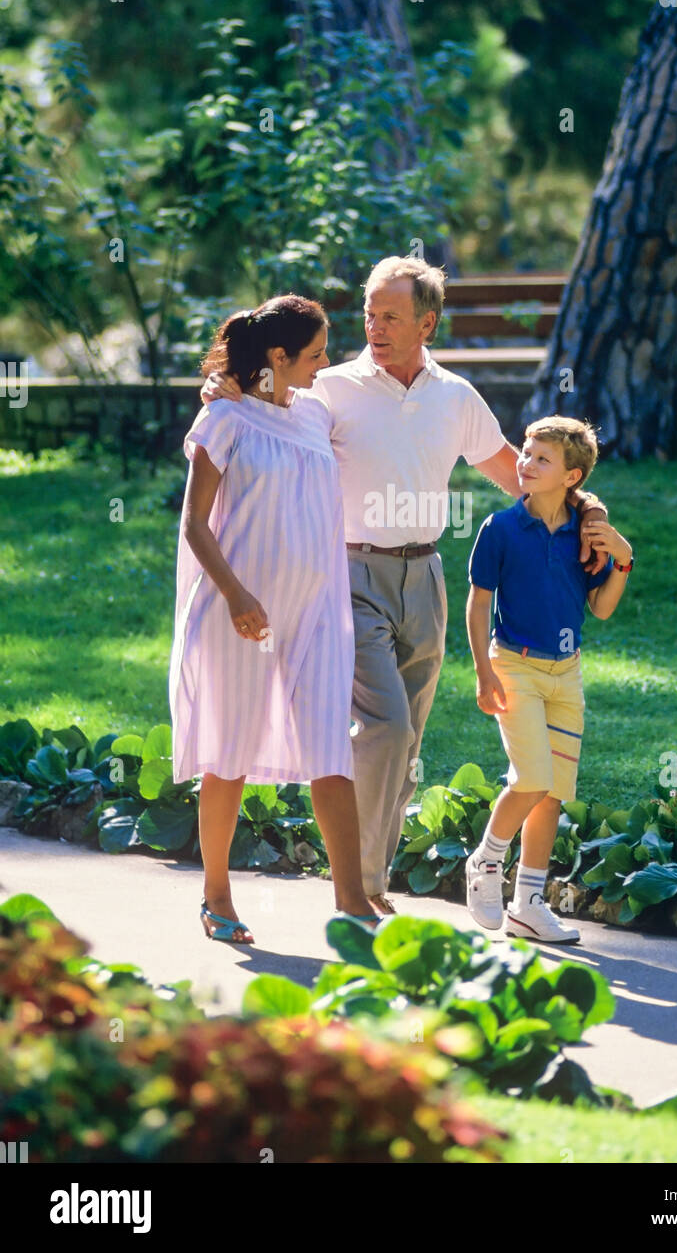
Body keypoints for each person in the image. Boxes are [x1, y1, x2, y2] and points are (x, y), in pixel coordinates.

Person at [201, 258, 609, 912]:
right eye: (369, 313)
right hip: (349, 572)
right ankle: (358, 886)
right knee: (384, 728)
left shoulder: (455, 397)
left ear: (427, 321)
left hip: (426, 577)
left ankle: (372, 879)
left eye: (390, 315)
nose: (375, 326)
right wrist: (221, 385)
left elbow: (519, 476)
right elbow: (263, 402)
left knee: (407, 738)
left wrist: (590, 510)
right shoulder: (327, 388)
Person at [170, 295, 376, 943]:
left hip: (314, 614)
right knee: (226, 757)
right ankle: (216, 896)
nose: (324, 364)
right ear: (279, 357)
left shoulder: (315, 412)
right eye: (314, 354)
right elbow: (195, 524)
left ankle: (353, 905)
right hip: (241, 616)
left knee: (329, 748)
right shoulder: (224, 418)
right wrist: (235, 595)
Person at [465, 415, 633, 944]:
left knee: (554, 794)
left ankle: (527, 906)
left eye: (542, 459)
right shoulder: (501, 528)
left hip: (568, 673)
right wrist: (483, 670)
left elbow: (602, 608)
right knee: (531, 779)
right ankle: (487, 860)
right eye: (526, 453)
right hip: (514, 664)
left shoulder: (587, 535)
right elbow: (478, 604)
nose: (526, 464)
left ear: (572, 477)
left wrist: (623, 559)